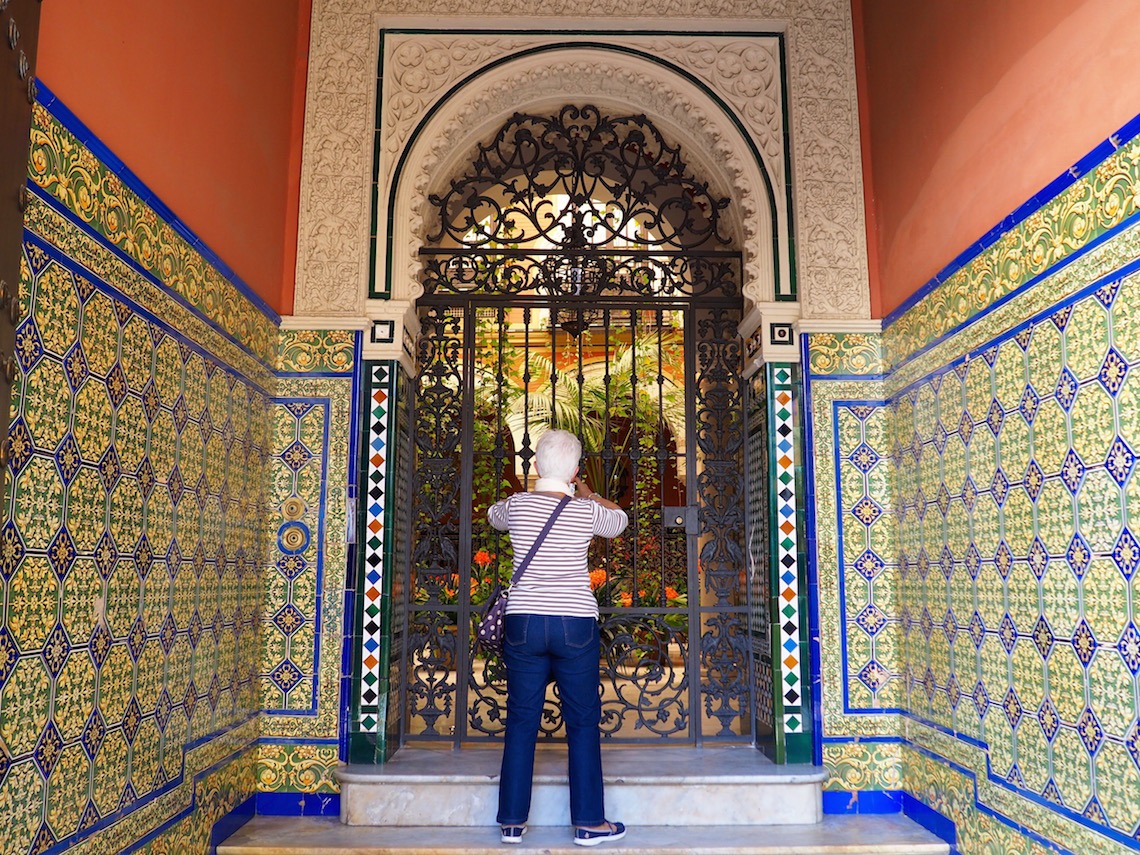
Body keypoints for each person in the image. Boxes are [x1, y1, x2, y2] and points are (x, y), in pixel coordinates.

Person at [488, 428, 629, 847]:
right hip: (574, 623)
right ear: (574, 471)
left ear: (534, 466)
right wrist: (584, 491)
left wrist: (539, 490)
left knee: (521, 718)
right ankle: (589, 822)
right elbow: (618, 520)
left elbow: (495, 516)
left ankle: (512, 822)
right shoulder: (586, 511)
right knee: (583, 721)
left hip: (525, 621)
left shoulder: (516, 507)